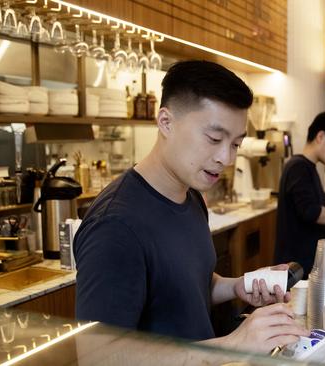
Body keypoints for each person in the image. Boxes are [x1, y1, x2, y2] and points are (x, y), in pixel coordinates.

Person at [74, 60, 308, 354]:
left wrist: (236, 286)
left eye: (235, 144)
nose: (226, 157)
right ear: (166, 122)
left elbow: (184, 288)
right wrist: (232, 344)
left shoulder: (191, 195)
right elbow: (98, 359)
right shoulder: (116, 226)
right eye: (214, 138)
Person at [274, 111, 325, 277]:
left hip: (304, 263)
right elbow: (311, 212)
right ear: (321, 136)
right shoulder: (298, 167)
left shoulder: (308, 167)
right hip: (295, 267)